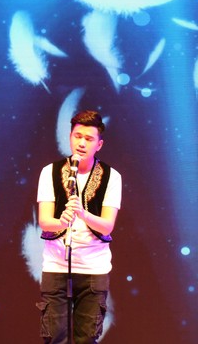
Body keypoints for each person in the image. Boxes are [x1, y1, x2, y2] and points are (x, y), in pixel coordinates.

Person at [36, 110, 122, 344]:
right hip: (56, 265)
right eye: (77, 136)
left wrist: (83, 214)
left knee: (87, 338)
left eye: (89, 138)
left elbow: (107, 226)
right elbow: (45, 221)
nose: (82, 143)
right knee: (54, 337)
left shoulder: (111, 177)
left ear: (99, 144)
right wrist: (62, 221)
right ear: (70, 137)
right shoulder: (50, 172)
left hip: (93, 268)